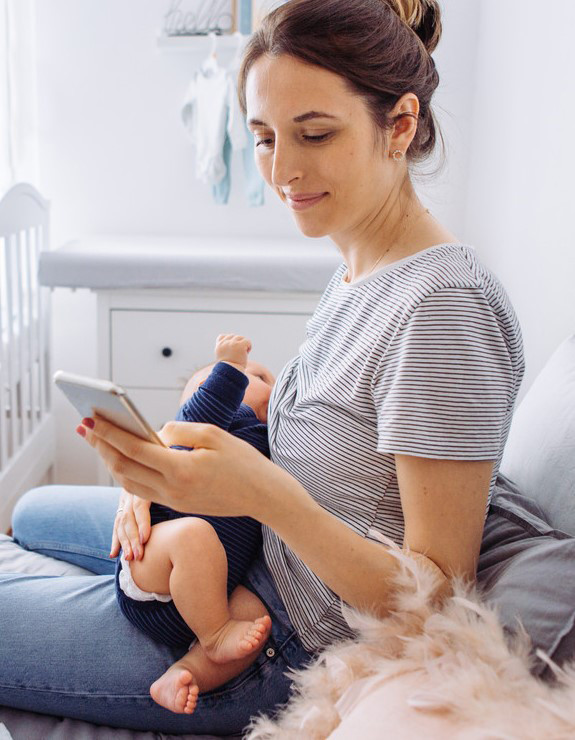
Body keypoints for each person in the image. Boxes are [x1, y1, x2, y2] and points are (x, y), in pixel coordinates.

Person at [0, 1, 525, 735]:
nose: (282, 170)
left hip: (275, 639)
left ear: (399, 125)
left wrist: (269, 496)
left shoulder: (442, 308)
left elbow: (435, 602)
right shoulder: (358, 263)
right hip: (240, 545)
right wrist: (165, 472)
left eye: (313, 134)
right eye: (263, 138)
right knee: (27, 515)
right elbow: (348, 423)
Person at [115, 333, 274, 715]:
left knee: (258, 619)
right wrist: (232, 367)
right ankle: (216, 635)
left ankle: (184, 672)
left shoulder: (268, 438)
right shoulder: (218, 424)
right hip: (156, 573)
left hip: (208, 598)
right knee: (193, 534)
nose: (273, 383)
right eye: (261, 377)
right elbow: (202, 415)